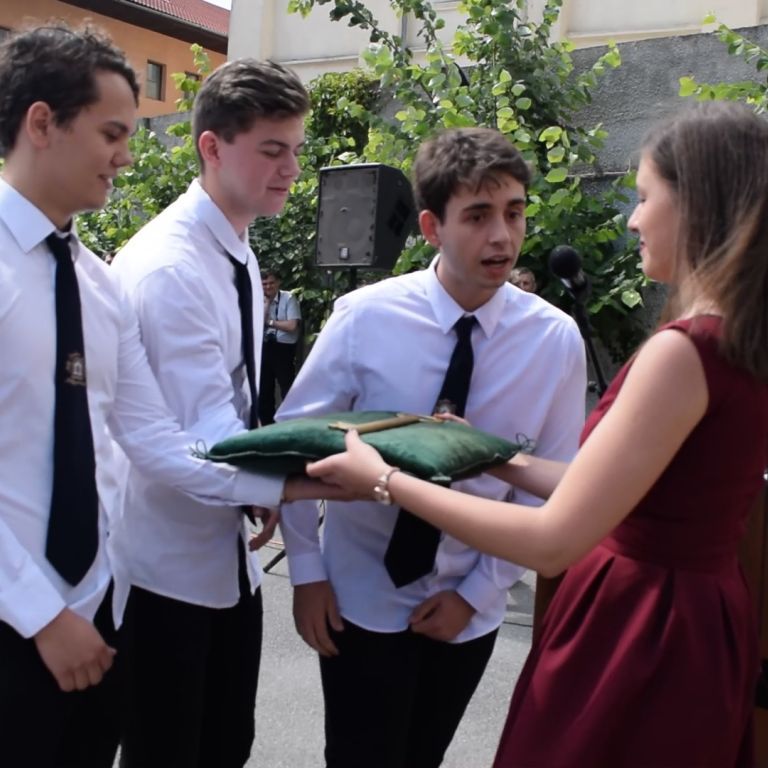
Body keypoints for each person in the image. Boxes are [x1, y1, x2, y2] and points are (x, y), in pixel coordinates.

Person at [307, 101, 768, 767]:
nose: (633, 219)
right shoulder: (741, 340)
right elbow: (607, 486)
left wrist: (384, 480)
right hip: (697, 620)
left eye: (645, 198)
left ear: (698, 204)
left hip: (642, 627)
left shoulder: (681, 351)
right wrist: (489, 456)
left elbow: (553, 540)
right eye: (478, 215)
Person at [0, 25, 331, 768]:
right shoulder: (152, 267)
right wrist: (41, 614)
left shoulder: (95, 282)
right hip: (24, 615)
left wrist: (290, 482)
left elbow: (152, 436)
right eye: (112, 133)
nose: (127, 155)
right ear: (42, 123)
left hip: (98, 607)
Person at [277, 126, 587, 768]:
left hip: (469, 604)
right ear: (431, 226)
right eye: (477, 216)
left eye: (514, 212)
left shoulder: (554, 340)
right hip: (359, 595)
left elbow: (554, 482)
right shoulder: (364, 317)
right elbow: (296, 442)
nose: (501, 236)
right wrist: (306, 573)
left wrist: (479, 593)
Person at [110, 59, 309, 767]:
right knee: (172, 752)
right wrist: (303, 477)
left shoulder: (235, 251)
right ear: (211, 147)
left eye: (295, 149)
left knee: (225, 745)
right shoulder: (172, 267)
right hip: (164, 569)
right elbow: (201, 434)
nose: (291, 169)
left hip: (222, 557)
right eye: (272, 149)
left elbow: (232, 404)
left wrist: (264, 486)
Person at [260, 268, 302, 424]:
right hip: (264, 347)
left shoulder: (289, 298)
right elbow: (256, 323)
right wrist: (266, 305)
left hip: (283, 348)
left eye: (271, 283)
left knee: (287, 387)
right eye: (264, 284)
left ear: (278, 283)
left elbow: (292, 326)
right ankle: (266, 424)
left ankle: (289, 422)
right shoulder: (257, 298)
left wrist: (270, 322)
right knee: (264, 389)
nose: (268, 287)